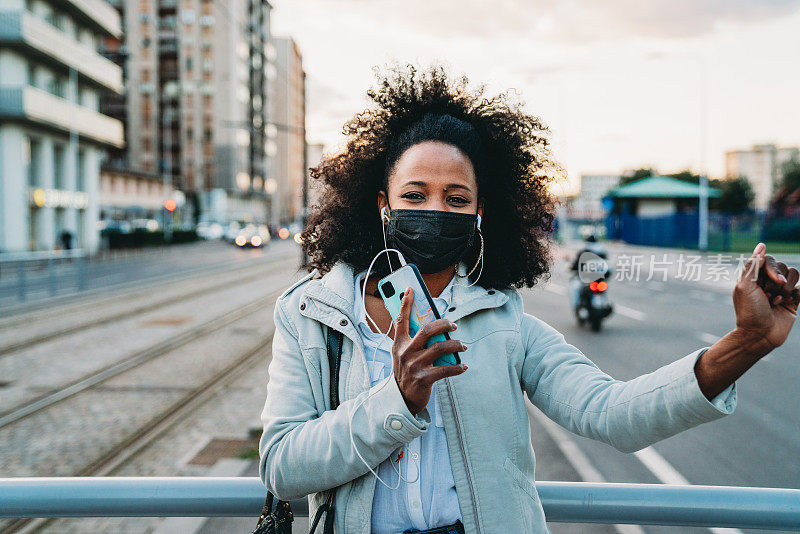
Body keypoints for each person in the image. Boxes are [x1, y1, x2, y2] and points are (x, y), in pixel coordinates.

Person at [258, 65, 799, 534]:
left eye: (457, 199)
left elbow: (614, 414)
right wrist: (396, 402)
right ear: (382, 203)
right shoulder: (313, 316)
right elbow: (281, 465)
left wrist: (746, 343)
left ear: (480, 215)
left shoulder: (505, 323)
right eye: (415, 195)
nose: (437, 210)